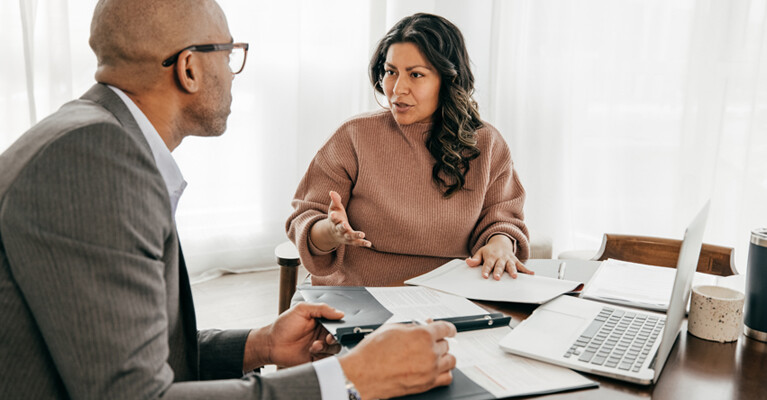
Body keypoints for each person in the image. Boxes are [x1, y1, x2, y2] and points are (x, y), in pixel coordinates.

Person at [0, 1, 457, 399]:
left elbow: (123, 351)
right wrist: (351, 377)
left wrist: (259, 345)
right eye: (231, 52)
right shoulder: (94, 162)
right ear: (190, 68)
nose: (236, 72)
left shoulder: (95, 138)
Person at [287, 13, 531, 287]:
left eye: (416, 74)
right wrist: (331, 233)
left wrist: (499, 243)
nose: (397, 89)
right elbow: (306, 217)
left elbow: (502, 218)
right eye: (391, 72)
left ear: (448, 79)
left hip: (451, 297)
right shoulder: (354, 136)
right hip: (357, 292)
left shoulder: (487, 144)